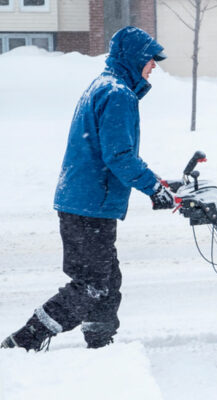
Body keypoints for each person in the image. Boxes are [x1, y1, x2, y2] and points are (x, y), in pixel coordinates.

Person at [1, 26, 175, 351]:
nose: (154, 66)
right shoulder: (118, 94)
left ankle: (99, 344)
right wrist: (153, 187)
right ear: (135, 58)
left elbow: (112, 151)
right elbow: (119, 155)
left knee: (106, 281)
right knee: (92, 286)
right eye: (151, 59)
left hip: (84, 200)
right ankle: (22, 342)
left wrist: (157, 183)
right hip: (89, 205)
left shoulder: (105, 86)